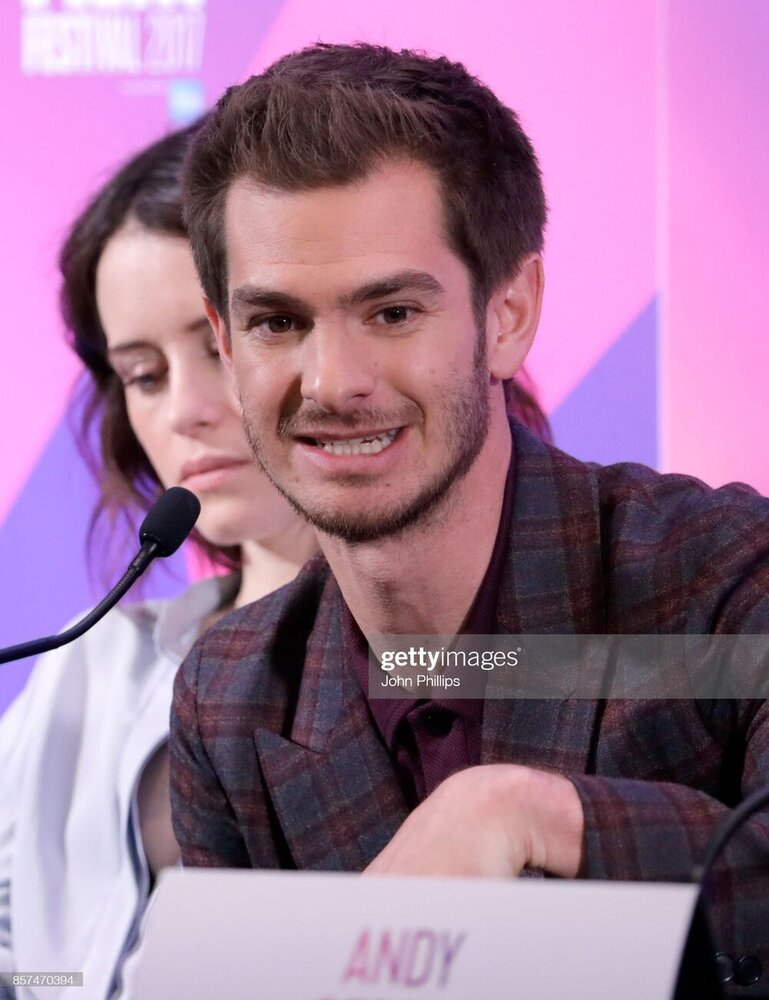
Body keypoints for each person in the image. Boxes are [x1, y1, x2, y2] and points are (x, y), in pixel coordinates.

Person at [170, 42, 769, 993]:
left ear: (510, 314)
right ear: (225, 341)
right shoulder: (232, 695)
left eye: (393, 312)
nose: (331, 383)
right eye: (278, 322)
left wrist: (528, 815)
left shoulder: (723, 576)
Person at [0, 126, 324, 1000]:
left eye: (220, 346)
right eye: (143, 374)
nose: (185, 410)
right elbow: (23, 965)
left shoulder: (479, 645)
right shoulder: (88, 663)